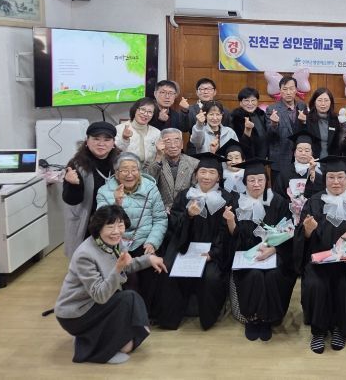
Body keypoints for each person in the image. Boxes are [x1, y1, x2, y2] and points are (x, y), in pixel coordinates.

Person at [55, 205, 167, 364]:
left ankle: (92, 338)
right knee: (129, 298)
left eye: (120, 225)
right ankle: (96, 347)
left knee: (128, 344)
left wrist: (148, 259)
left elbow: (126, 265)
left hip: (95, 305)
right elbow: (100, 295)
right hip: (76, 314)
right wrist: (118, 268)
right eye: (110, 226)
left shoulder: (113, 243)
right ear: (98, 228)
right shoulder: (85, 254)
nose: (116, 231)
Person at [295, 156, 346, 354]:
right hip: (319, 262)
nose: (336, 182)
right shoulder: (313, 202)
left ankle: (340, 328)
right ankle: (318, 331)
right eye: (331, 177)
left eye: (340, 177)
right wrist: (307, 231)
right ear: (325, 179)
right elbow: (301, 239)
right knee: (315, 284)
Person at [153, 153, 233, 330]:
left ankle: (208, 319)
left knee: (211, 277)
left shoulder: (227, 199)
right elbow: (174, 225)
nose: (206, 176)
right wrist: (188, 215)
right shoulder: (185, 196)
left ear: (219, 177)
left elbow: (225, 233)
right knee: (169, 269)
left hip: (212, 251)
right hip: (185, 247)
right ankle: (169, 319)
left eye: (212, 172)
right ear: (196, 174)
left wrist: (213, 254)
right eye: (202, 172)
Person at [229, 159, 296, 342]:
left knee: (273, 275)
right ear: (245, 182)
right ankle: (253, 318)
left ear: (267, 181)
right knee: (254, 275)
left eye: (260, 179)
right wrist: (231, 222)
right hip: (246, 255)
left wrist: (273, 249)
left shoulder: (279, 202)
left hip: (275, 253)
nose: (256, 184)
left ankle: (267, 319)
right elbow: (233, 237)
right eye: (251, 180)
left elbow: (289, 231)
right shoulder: (237, 202)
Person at [96, 153, 168, 307]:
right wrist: (117, 203)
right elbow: (102, 224)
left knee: (154, 271)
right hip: (116, 244)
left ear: (139, 171)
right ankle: (130, 312)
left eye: (134, 169)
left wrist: (152, 242)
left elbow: (160, 219)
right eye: (124, 170)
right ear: (116, 173)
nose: (130, 175)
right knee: (128, 278)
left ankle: (146, 312)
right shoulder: (104, 191)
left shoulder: (150, 188)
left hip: (144, 240)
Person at [62, 121, 121, 258]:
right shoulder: (76, 164)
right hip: (87, 222)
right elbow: (71, 200)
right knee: (86, 259)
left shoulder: (120, 162)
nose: (101, 144)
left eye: (107, 140)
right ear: (87, 141)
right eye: (96, 139)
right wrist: (72, 184)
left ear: (113, 143)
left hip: (114, 221)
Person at [144, 128, 199, 212]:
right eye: (168, 141)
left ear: (182, 144)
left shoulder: (194, 163)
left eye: (176, 141)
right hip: (160, 210)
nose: (173, 146)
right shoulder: (151, 162)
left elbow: (195, 190)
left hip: (185, 210)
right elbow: (148, 184)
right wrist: (159, 156)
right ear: (161, 144)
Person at [266, 75, 307, 177]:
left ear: (296, 90)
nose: (288, 92)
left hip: (300, 159)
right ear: (280, 91)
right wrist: (274, 124)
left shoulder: (302, 106)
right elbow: (269, 135)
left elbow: (306, 132)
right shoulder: (272, 109)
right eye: (285, 89)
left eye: (291, 88)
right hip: (280, 160)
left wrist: (305, 122)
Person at [273, 130, 324, 206]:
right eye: (300, 150)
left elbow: (323, 194)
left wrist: (314, 176)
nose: (303, 153)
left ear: (312, 153)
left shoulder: (319, 170)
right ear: (294, 153)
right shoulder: (284, 173)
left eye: (307, 150)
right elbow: (278, 197)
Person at [185, 78, 230, 155]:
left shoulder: (224, 110)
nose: (205, 92)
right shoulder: (189, 109)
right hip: (195, 150)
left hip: (220, 150)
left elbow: (227, 129)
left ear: (215, 92)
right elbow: (184, 128)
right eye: (202, 89)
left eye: (209, 89)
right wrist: (184, 111)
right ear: (197, 92)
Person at [115, 97, 161, 165]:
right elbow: (115, 154)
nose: (145, 114)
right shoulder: (119, 129)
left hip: (150, 170)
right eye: (142, 109)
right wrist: (124, 139)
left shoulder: (157, 133)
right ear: (135, 110)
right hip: (126, 169)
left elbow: (159, 156)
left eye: (150, 112)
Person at [230, 86, 268, 159]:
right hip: (246, 158)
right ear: (240, 103)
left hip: (263, 157)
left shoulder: (261, 114)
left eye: (253, 100)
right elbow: (237, 142)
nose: (250, 104)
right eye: (246, 101)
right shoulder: (236, 117)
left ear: (257, 101)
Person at [305, 87, 341, 159]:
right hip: (312, 160)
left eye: (326, 100)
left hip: (330, 161)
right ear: (314, 102)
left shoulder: (334, 119)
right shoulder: (307, 118)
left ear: (331, 102)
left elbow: (336, 144)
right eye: (320, 100)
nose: (323, 104)